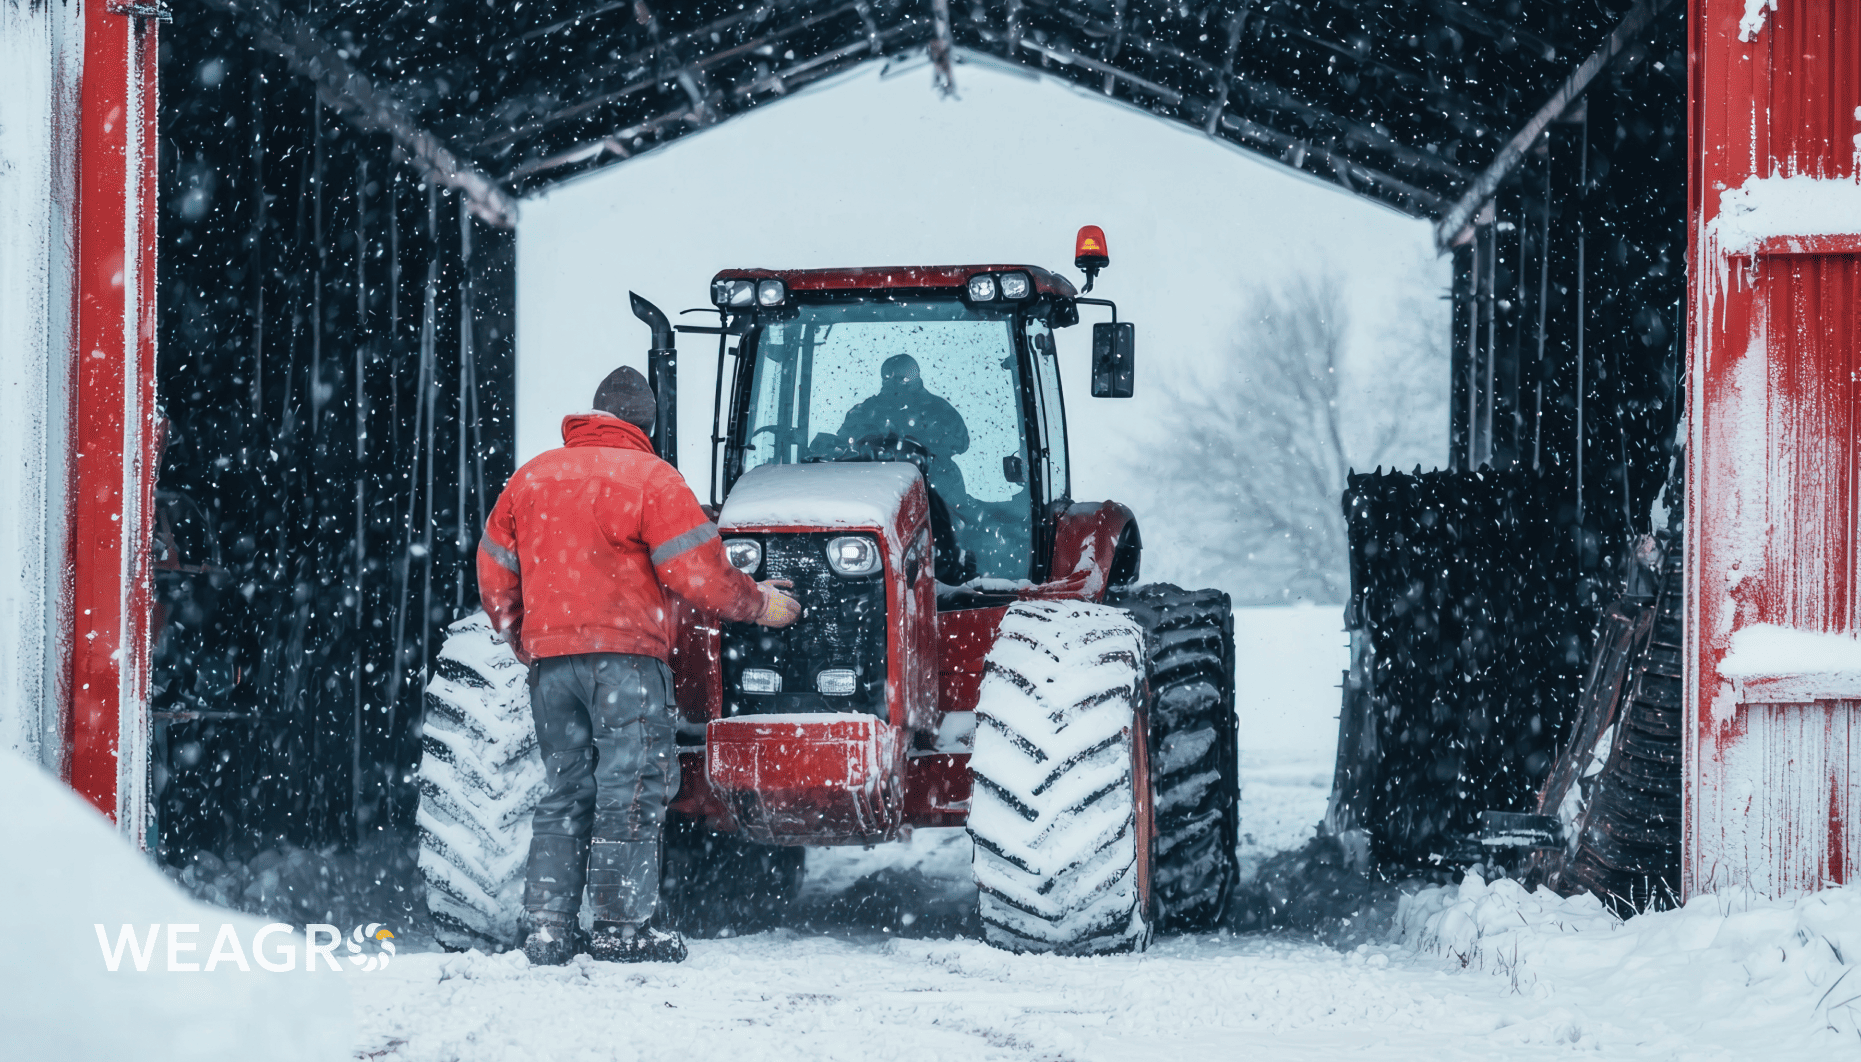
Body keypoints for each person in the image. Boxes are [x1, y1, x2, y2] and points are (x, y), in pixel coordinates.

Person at [477, 366, 801, 966]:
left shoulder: (532, 478)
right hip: (625, 665)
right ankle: (622, 928)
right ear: (645, 425)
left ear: (591, 417)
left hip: (552, 670)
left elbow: (494, 567)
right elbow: (697, 572)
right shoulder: (650, 478)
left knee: (566, 790)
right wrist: (758, 604)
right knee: (629, 792)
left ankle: (548, 929)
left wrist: (523, 636)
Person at [824, 353, 971, 502]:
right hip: (877, 486)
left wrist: (929, 447)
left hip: (929, 486)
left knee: (951, 512)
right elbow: (844, 440)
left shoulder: (938, 409)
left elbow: (961, 443)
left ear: (914, 376)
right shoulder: (869, 409)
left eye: (902, 377)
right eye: (889, 376)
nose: (895, 382)